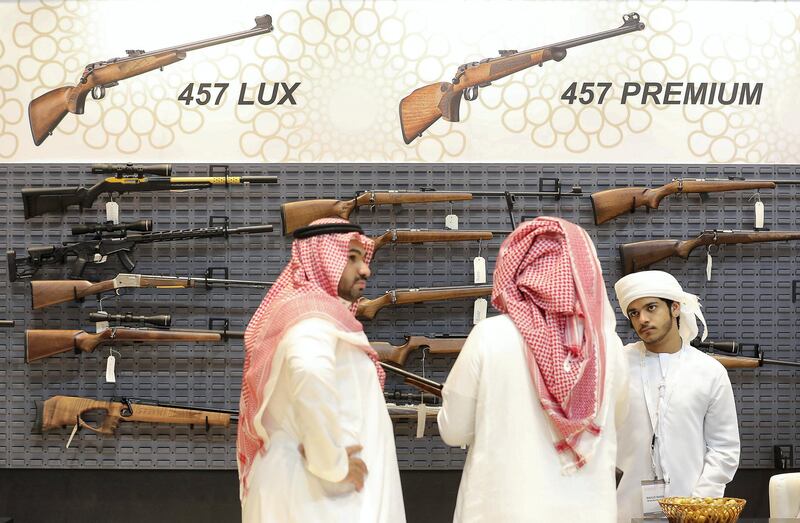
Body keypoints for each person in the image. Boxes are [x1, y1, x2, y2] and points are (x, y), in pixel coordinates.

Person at [437, 217, 629, 522]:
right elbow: (615, 421)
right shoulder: (610, 348)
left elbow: (454, 429)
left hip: (499, 510)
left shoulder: (489, 335)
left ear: (519, 269)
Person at [237, 218, 405, 523]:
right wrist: (333, 464)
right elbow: (310, 372)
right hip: (315, 498)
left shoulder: (314, 317)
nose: (365, 269)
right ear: (322, 258)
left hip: (319, 497)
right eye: (351, 258)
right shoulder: (311, 321)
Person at [614, 270, 740, 522]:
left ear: (674, 308)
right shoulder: (616, 364)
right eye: (634, 313)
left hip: (694, 508)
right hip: (626, 509)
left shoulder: (708, 371)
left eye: (651, 308)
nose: (643, 319)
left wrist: (700, 504)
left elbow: (723, 448)